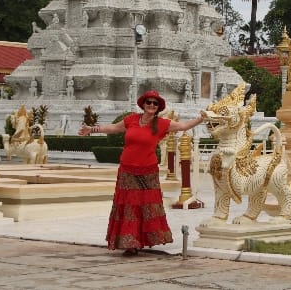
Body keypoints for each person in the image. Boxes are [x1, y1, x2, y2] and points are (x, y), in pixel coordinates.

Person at [78, 90, 203, 255]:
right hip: (127, 171)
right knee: (129, 206)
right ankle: (131, 243)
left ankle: (142, 240)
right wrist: (92, 129)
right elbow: (113, 128)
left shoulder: (162, 124)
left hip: (147, 172)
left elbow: (184, 126)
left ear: (158, 107)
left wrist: (202, 118)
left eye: (155, 103)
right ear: (143, 104)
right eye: (148, 102)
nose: (151, 105)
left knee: (145, 206)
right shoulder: (131, 119)